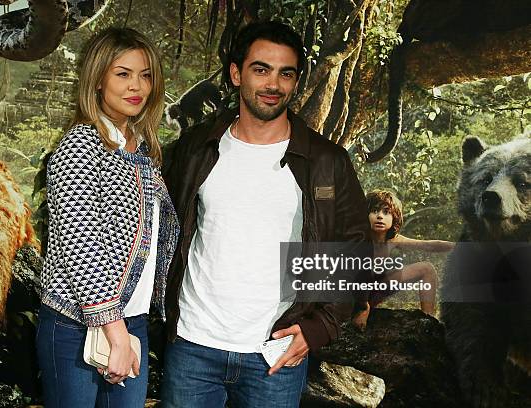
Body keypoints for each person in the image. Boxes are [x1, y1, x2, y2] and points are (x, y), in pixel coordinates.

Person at [161, 21, 369, 407]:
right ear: (237, 73)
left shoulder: (326, 162)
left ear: (295, 82)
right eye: (261, 69)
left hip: (275, 353)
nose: (273, 84)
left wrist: (319, 327)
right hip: (193, 346)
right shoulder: (196, 148)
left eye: (285, 73)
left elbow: (353, 248)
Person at [36, 28, 179, 408]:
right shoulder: (81, 144)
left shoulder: (142, 149)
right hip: (78, 325)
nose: (137, 86)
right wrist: (115, 334)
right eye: (123, 73)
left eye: (145, 75)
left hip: (132, 322)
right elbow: (82, 247)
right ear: (98, 80)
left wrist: (126, 330)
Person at [352, 189, 455, 330]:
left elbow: (429, 245)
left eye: (386, 212)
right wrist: (362, 307)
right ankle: (360, 310)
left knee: (426, 269)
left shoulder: (394, 240)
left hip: (376, 289)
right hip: (354, 294)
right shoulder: (358, 238)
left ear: (394, 217)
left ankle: (429, 321)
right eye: (375, 211)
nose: (380, 216)